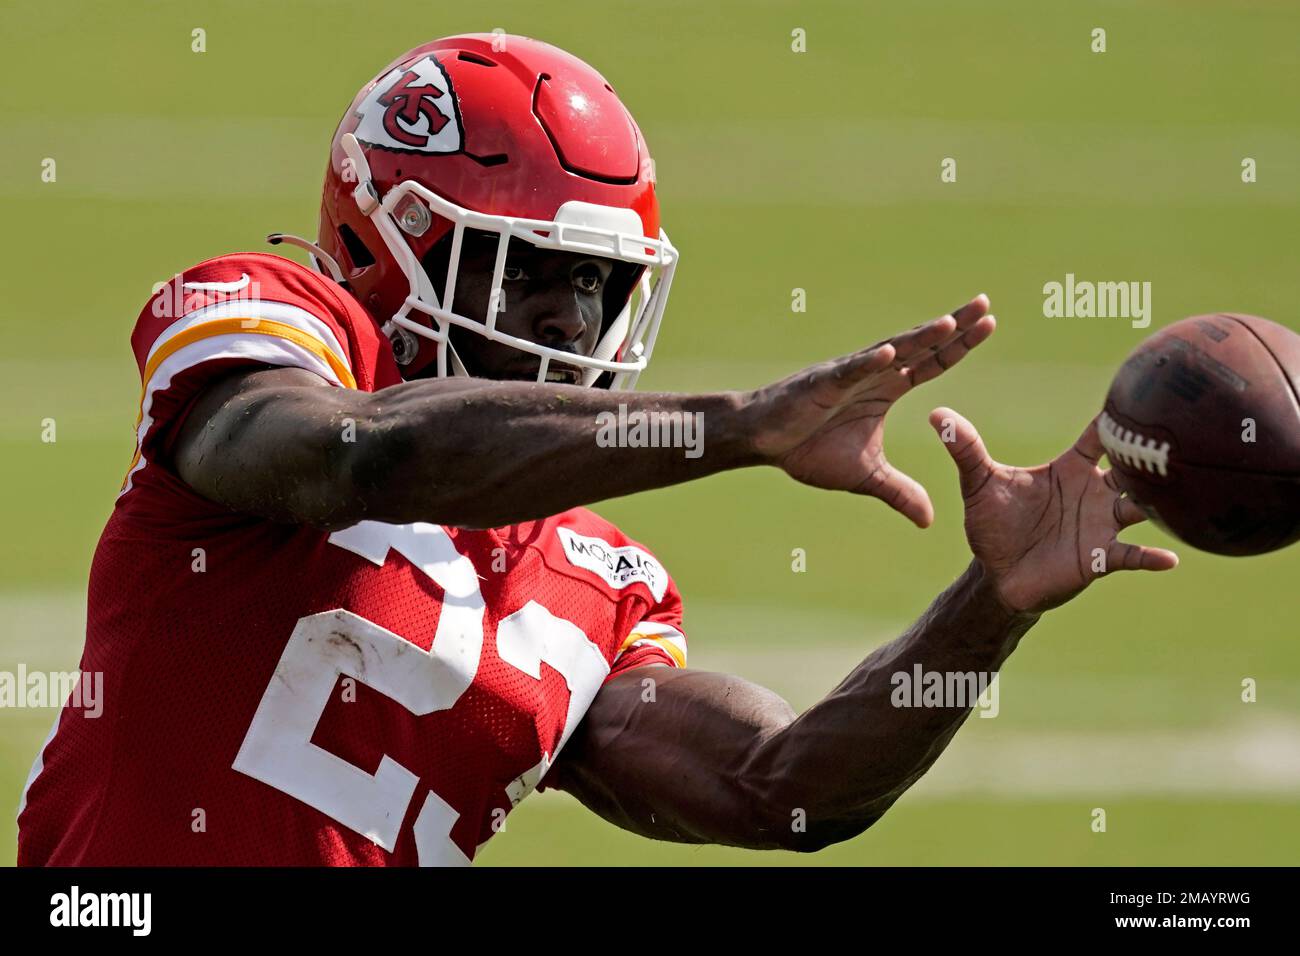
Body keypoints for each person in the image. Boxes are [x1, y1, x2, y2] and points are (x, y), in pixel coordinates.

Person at [17, 34, 1176, 865]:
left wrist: (996, 600)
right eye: (524, 271)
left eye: (596, 283)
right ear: (390, 240)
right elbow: (348, 460)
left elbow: (783, 792)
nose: (569, 320)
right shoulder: (275, 329)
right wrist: (725, 428)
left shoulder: (597, 583)